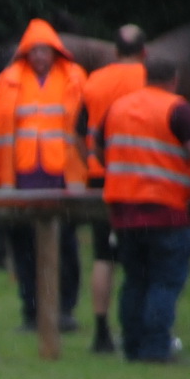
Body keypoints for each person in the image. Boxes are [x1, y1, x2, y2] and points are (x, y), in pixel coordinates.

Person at [92, 58, 190, 362]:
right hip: (167, 210)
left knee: (135, 280)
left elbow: (97, 147)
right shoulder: (178, 109)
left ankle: (132, 346)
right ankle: (156, 348)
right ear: (174, 80)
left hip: (124, 211)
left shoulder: (118, 108)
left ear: (145, 78)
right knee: (164, 281)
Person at [0, 18, 88, 332]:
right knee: (24, 249)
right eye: (34, 51)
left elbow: (87, 126)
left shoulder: (75, 78)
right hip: (20, 179)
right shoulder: (9, 79)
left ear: (55, 52)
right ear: (25, 52)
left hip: (62, 179)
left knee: (65, 246)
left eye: (44, 50)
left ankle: (64, 310)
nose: (39, 56)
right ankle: (32, 312)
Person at [78, 25, 148, 354]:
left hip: (102, 177)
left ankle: (102, 332)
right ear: (144, 51)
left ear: (115, 51)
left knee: (103, 255)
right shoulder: (152, 79)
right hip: (143, 176)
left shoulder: (94, 81)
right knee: (144, 253)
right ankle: (144, 327)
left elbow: (78, 131)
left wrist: (91, 160)